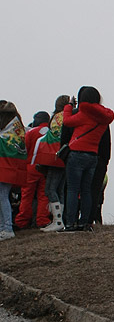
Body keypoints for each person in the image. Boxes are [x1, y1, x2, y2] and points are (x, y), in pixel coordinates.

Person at [61, 87, 114, 232]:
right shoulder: (104, 118)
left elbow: (66, 122)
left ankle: (70, 223)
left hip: (77, 153)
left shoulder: (82, 114)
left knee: (72, 190)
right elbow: (106, 142)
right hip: (93, 156)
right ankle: (85, 222)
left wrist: (68, 106)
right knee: (87, 191)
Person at [34, 95, 71, 232]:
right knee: (60, 189)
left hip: (54, 156)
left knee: (50, 189)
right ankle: (59, 220)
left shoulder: (57, 118)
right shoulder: (70, 115)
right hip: (66, 156)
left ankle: (57, 220)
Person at [15, 111, 51, 230]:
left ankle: (22, 221)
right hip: (46, 168)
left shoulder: (31, 132)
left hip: (31, 167)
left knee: (27, 195)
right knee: (43, 195)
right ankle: (42, 220)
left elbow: (24, 149)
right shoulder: (52, 133)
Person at [0, 101, 27, 241]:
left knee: (2, 196)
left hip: (5, 165)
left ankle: (7, 228)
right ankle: (4, 227)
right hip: (13, 166)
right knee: (3, 196)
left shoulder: (5, 132)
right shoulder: (17, 127)